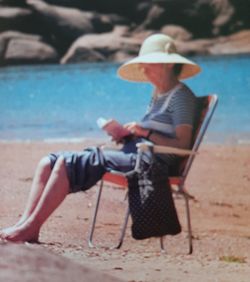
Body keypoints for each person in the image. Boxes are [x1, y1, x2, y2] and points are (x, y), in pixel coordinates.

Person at [0, 33, 201, 243]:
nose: (143, 69)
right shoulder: (159, 94)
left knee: (65, 163)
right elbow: (154, 135)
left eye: (147, 63)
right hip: (137, 154)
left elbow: (182, 144)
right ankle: (24, 224)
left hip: (152, 164)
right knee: (48, 162)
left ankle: (31, 228)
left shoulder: (181, 97)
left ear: (167, 65)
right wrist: (126, 135)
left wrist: (145, 133)